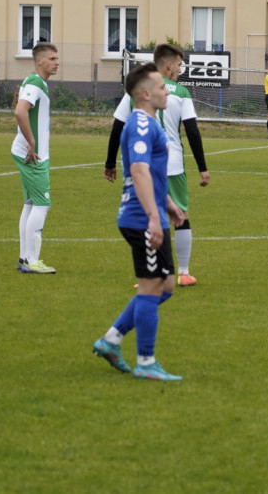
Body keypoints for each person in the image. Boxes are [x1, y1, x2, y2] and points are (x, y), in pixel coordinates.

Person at [94, 63, 186, 381]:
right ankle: (146, 362)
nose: (167, 90)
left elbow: (154, 175)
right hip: (140, 218)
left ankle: (111, 340)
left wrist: (169, 205)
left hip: (151, 214)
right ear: (145, 94)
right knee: (151, 288)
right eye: (162, 86)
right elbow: (139, 171)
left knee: (166, 286)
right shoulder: (142, 126)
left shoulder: (148, 123)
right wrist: (152, 218)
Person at [104, 43, 209, 287]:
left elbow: (117, 126)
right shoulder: (181, 93)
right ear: (169, 64)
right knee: (181, 214)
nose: (180, 70)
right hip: (172, 164)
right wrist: (202, 167)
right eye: (180, 65)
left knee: (146, 214)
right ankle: (183, 271)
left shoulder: (137, 91)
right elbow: (192, 131)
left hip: (141, 161)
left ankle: (148, 273)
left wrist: (110, 162)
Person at [11, 42, 60, 274]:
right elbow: (20, 111)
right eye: (51, 58)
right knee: (42, 203)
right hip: (33, 155)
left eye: (56, 58)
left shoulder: (37, 83)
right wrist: (32, 142)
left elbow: (23, 109)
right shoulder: (35, 82)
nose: (56, 62)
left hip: (32, 153)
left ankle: (24, 258)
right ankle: (31, 260)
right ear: (38, 61)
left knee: (30, 204)